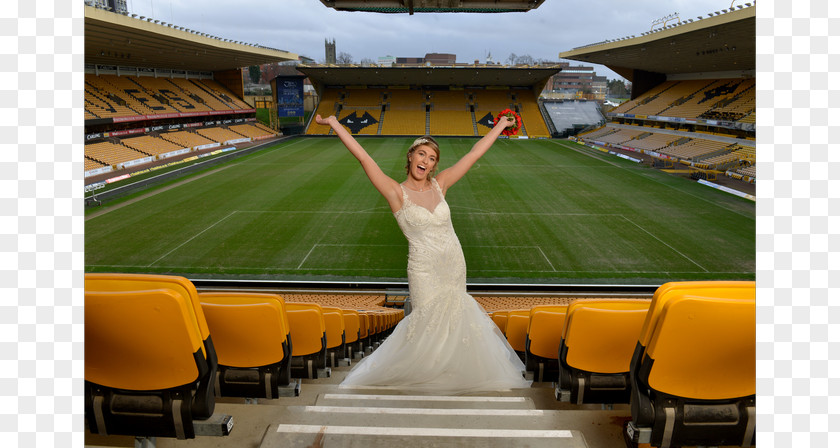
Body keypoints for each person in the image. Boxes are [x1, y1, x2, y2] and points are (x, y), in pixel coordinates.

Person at [315, 113, 531, 394]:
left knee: (456, 317)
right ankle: (426, 371)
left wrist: (501, 125)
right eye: (421, 154)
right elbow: (365, 159)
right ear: (411, 157)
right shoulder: (395, 192)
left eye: (431, 158)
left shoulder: (441, 185)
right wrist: (333, 123)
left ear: (434, 165)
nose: (426, 161)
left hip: (453, 262)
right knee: (427, 322)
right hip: (423, 269)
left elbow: (474, 154)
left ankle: (452, 370)